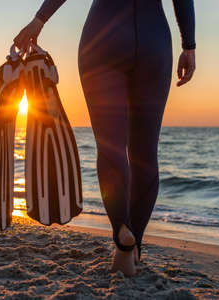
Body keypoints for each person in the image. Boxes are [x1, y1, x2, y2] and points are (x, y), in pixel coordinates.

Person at [14, 0, 196, 276]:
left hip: (102, 38)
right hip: (154, 39)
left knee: (111, 148)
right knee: (145, 154)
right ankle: (135, 245)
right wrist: (189, 45)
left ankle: (122, 237)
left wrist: (39, 19)